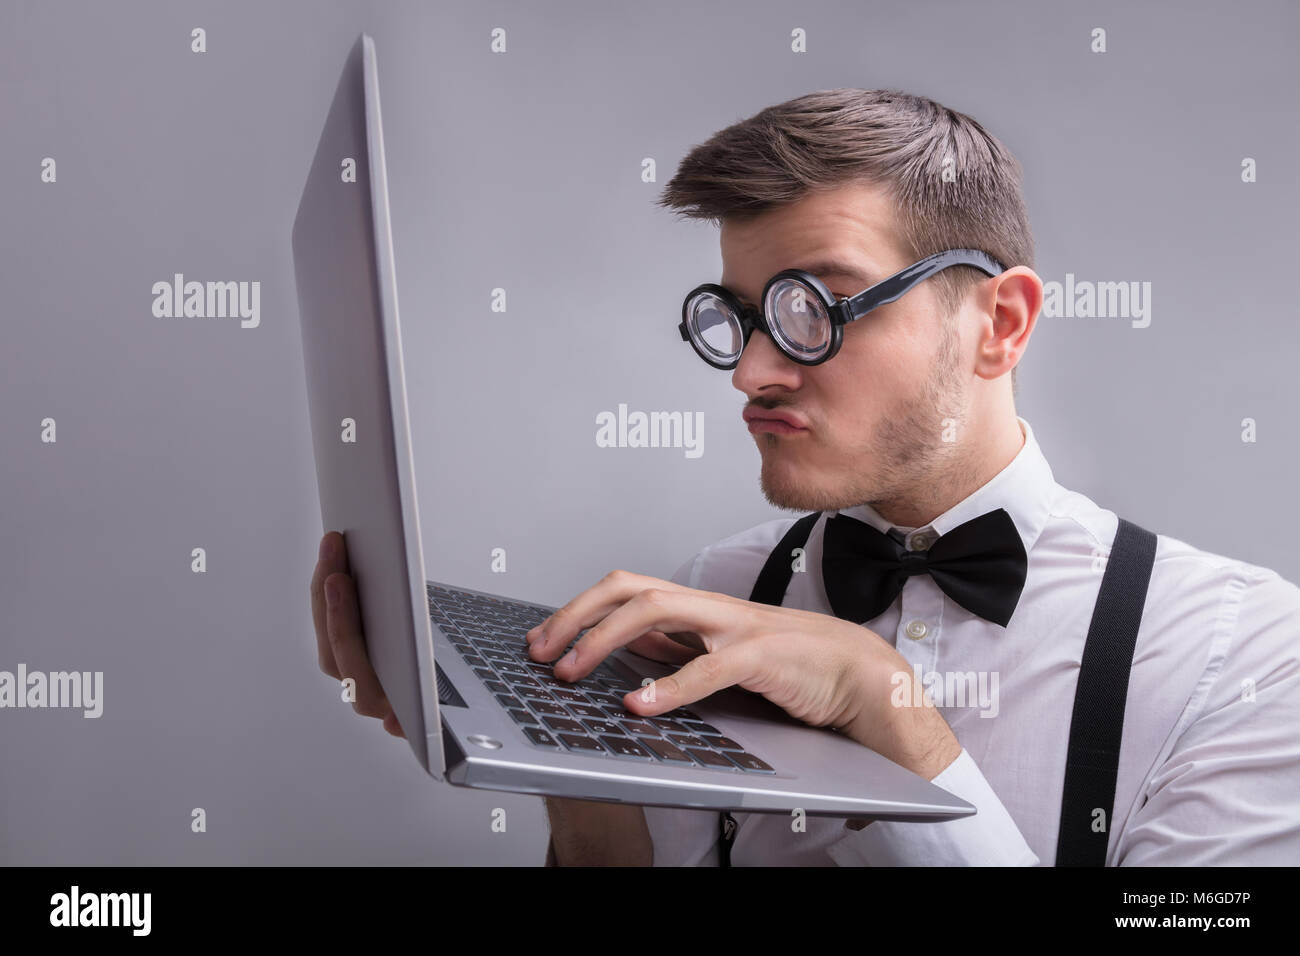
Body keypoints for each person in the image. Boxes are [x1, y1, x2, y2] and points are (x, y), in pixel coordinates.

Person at [310, 89, 1300, 866]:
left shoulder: (1244, 653)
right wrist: (574, 769)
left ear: (998, 324)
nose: (750, 374)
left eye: (813, 308)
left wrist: (893, 712)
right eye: (738, 318)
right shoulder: (717, 589)